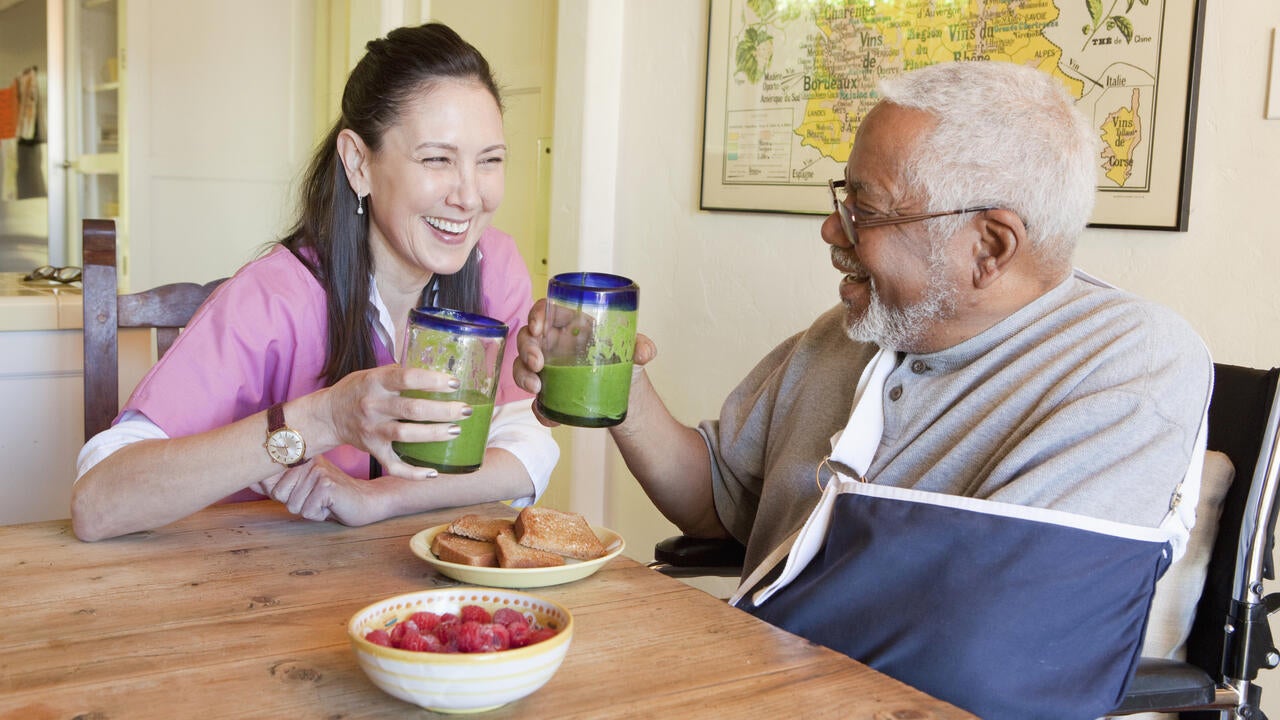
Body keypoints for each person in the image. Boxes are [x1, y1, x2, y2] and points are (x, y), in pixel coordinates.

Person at [514, 61, 1211, 719]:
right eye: (843, 198)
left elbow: (983, 653)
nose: (832, 229)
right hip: (754, 677)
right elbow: (718, 507)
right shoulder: (852, 333)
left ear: (991, 246)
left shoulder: (1130, 362)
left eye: (866, 211)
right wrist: (622, 391)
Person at [72, 23, 557, 542]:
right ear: (358, 163)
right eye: (437, 158)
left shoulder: (493, 265)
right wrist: (321, 419)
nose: (469, 195)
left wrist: (377, 498)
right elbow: (98, 502)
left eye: (490, 161)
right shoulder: (275, 298)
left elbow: (526, 449)